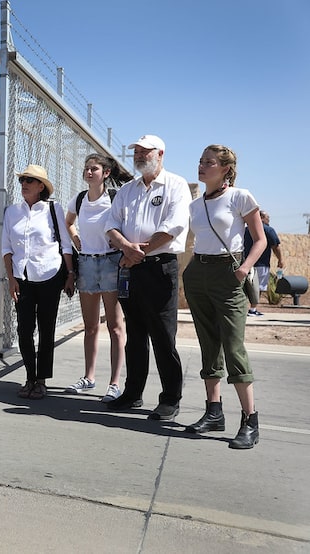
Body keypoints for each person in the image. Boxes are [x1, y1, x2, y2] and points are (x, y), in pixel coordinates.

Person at [183, 144, 264, 449]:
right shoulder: (195, 205)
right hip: (198, 272)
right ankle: (214, 412)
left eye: (209, 162)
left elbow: (258, 239)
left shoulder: (240, 197)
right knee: (208, 343)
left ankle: (250, 419)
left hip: (228, 274)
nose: (202, 166)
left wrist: (244, 268)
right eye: (200, 161)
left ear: (225, 168)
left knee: (233, 346)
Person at [104, 135, 190, 420]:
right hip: (129, 267)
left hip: (159, 267)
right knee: (136, 334)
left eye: (145, 151)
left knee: (163, 335)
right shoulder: (128, 190)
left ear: (160, 153)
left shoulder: (176, 185)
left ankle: (170, 398)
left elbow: (174, 226)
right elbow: (111, 225)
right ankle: (133, 393)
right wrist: (127, 248)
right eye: (136, 152)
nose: (139, 156)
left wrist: (139, 251)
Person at [2, 164, 75, 400]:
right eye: (22, 179)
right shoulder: (12, 211)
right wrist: (11, 279)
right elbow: (6, 248)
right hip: (21, 278)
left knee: (46, 329)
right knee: (24, 330)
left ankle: (41, 380)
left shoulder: (53, 209)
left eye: (30, 180)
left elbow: (65, 244)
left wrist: (71, 274)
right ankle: (29, 377)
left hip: (49, 275)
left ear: (41, 186)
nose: (24, 184)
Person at [63, 154, 128, 402]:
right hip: (87, 263)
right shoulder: (79, 199)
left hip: (112, 262)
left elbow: (125, 224)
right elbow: (69, 223)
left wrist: (120, 242)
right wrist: (76, 238)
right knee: (90, 327)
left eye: (94, 169)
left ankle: (114, 383)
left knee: (114, 326)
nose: (89, 173)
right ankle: (88, 378)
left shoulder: (114, 198)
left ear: (106, 173)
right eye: (87, 169)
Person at [243, 210, 284, 316]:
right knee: (258, 287)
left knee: (244, 287)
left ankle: (243, 308)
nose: (268, 219)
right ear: (260, 217)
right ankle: (253, 309)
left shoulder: (246, 230)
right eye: (267, 217)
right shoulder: (268, 230)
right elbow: (276, 247)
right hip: (262, 263)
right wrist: (280, 260)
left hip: (245, 263)